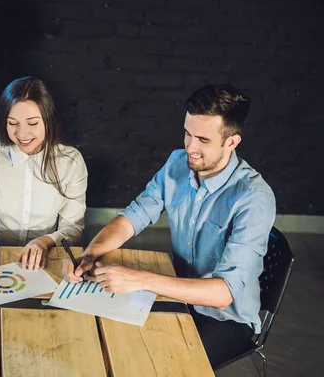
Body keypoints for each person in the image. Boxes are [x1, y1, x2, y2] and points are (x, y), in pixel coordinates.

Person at [63, 84, 275, 368]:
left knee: (155, 367)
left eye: (203, 139)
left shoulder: (254, 198)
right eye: (187, 134)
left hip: (226, 319)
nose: (190, 147)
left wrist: (140, 279)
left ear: (231, 143)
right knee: (103, 343)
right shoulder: (177, 163)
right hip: (176, 294)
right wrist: (90, 253)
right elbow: (134, 216)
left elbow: (224, 294)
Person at [0, 76, 88, 289]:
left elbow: (73, 227)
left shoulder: (70, 161)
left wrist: (46, 241)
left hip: (46, 252)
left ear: (48, 119)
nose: (22, 134)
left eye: (32, 123)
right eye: (12, 123)